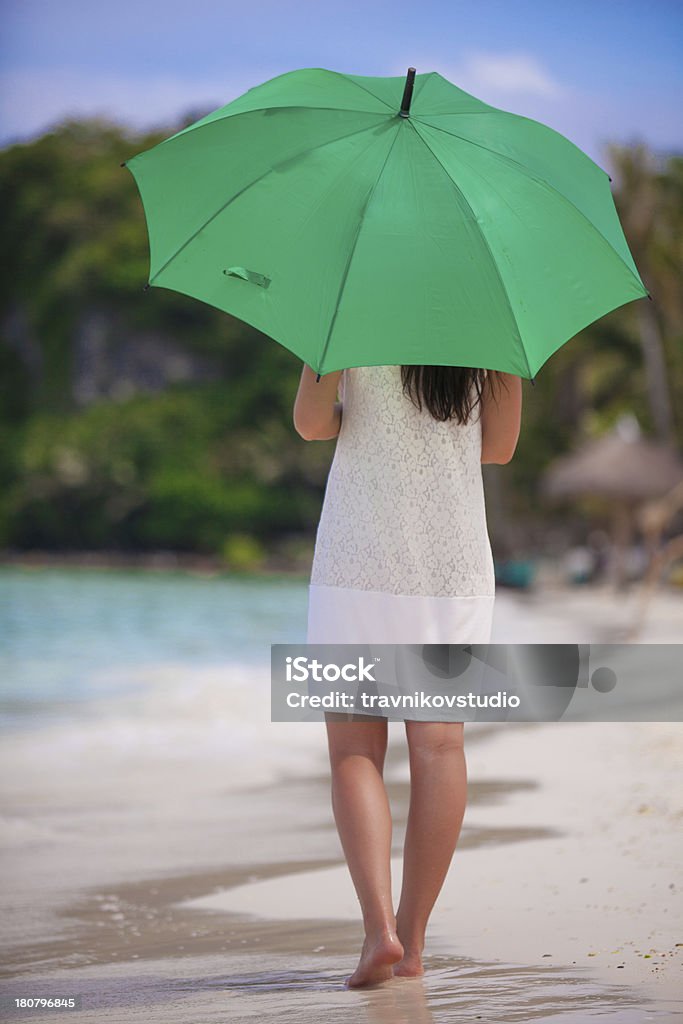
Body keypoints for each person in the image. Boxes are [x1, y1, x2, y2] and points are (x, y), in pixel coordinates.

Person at [293, 363, 522, 987]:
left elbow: (311, 425)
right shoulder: (488, 322)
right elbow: (498, 447)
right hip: (453, 561)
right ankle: (414, 942)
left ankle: (379, 932)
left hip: (356, 555)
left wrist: (354, 409)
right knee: (441, 746)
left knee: (353, 750)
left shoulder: (348, 304)